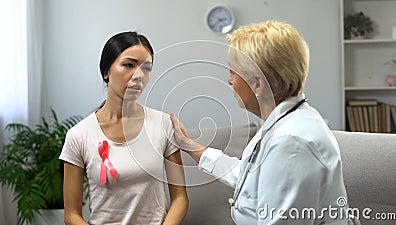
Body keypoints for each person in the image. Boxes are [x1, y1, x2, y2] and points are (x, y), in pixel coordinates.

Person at [170, 20, 355, 224]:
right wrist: (189, 145)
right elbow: (248, 176)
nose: (229, 81)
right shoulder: (286, 121)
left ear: (257, 84)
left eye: (232, 72)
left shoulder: (292, 143)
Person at [60, 31, 188, 225]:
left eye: (146, 68)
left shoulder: (164, 125)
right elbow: (71, 215)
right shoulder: (78, 135)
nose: (139, 75)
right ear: (106, 71)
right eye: (128, 65)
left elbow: (180, 199)